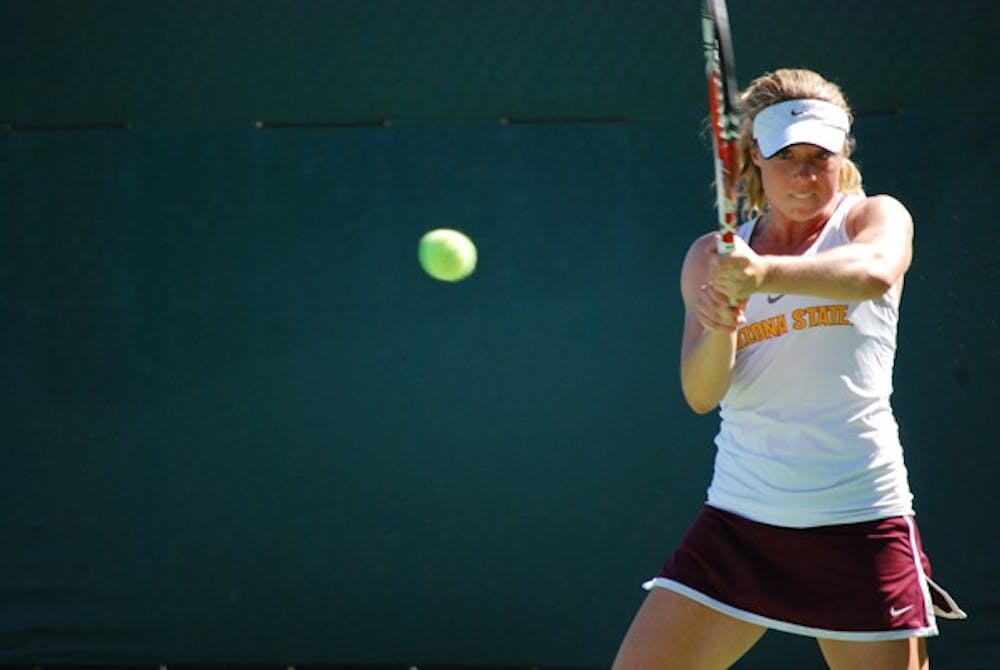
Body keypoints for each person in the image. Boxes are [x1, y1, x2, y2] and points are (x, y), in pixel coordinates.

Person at [612, 68, 965, 670]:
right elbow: (701, 394)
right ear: (754, 156)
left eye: (819, 156)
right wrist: (722, 320)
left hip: (860, 523)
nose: (805, 175)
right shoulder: (710, 256)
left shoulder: (872, 219)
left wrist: (765, 276)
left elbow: (875, 271)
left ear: (843, 152)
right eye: (786, 157)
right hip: (739, 523)